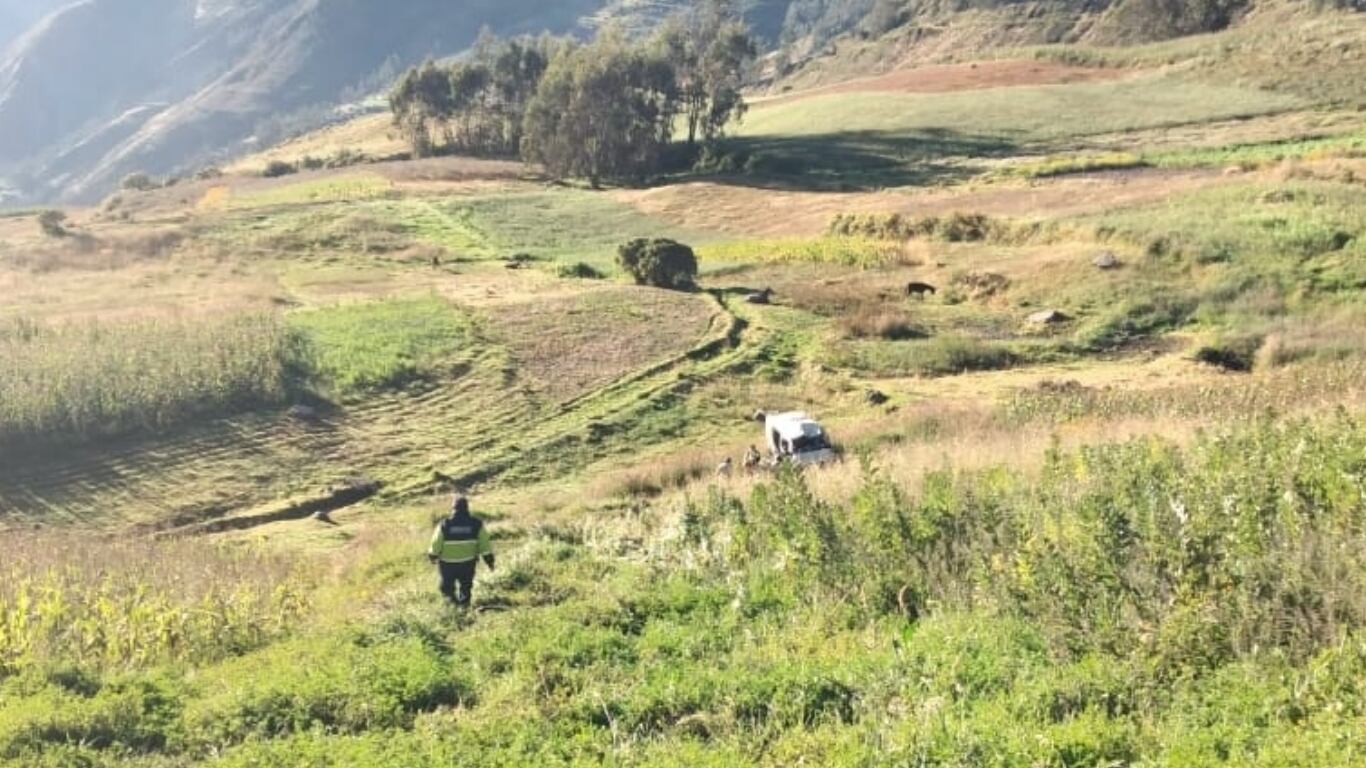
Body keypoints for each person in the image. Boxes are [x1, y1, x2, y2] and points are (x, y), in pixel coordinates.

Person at [427, 495, 495, 608]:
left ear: (453, 508)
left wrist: (432, 556)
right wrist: (489, 561)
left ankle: (452, 606)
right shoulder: (476, 524)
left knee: (447, 587)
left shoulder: (444, 524)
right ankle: (464, 606)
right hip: (468, 563)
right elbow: (485, 546)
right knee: (466, 586)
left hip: (447, 564)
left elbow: (436, 544)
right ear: (467, 508)